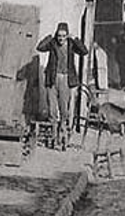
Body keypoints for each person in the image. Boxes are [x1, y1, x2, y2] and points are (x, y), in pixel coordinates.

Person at [36, 22, 88, 150]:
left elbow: (84, 51)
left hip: (65, 79)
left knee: (64, 110)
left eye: (64, 36)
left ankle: (63, 135)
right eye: (59, 36)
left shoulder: (71, 44)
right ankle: (54, 137)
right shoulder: (52, 43)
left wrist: (75, 38)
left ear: (67, 36)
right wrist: (49, 37)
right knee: (52, 110)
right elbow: (40, 47)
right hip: (52, 79)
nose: (61, 39)